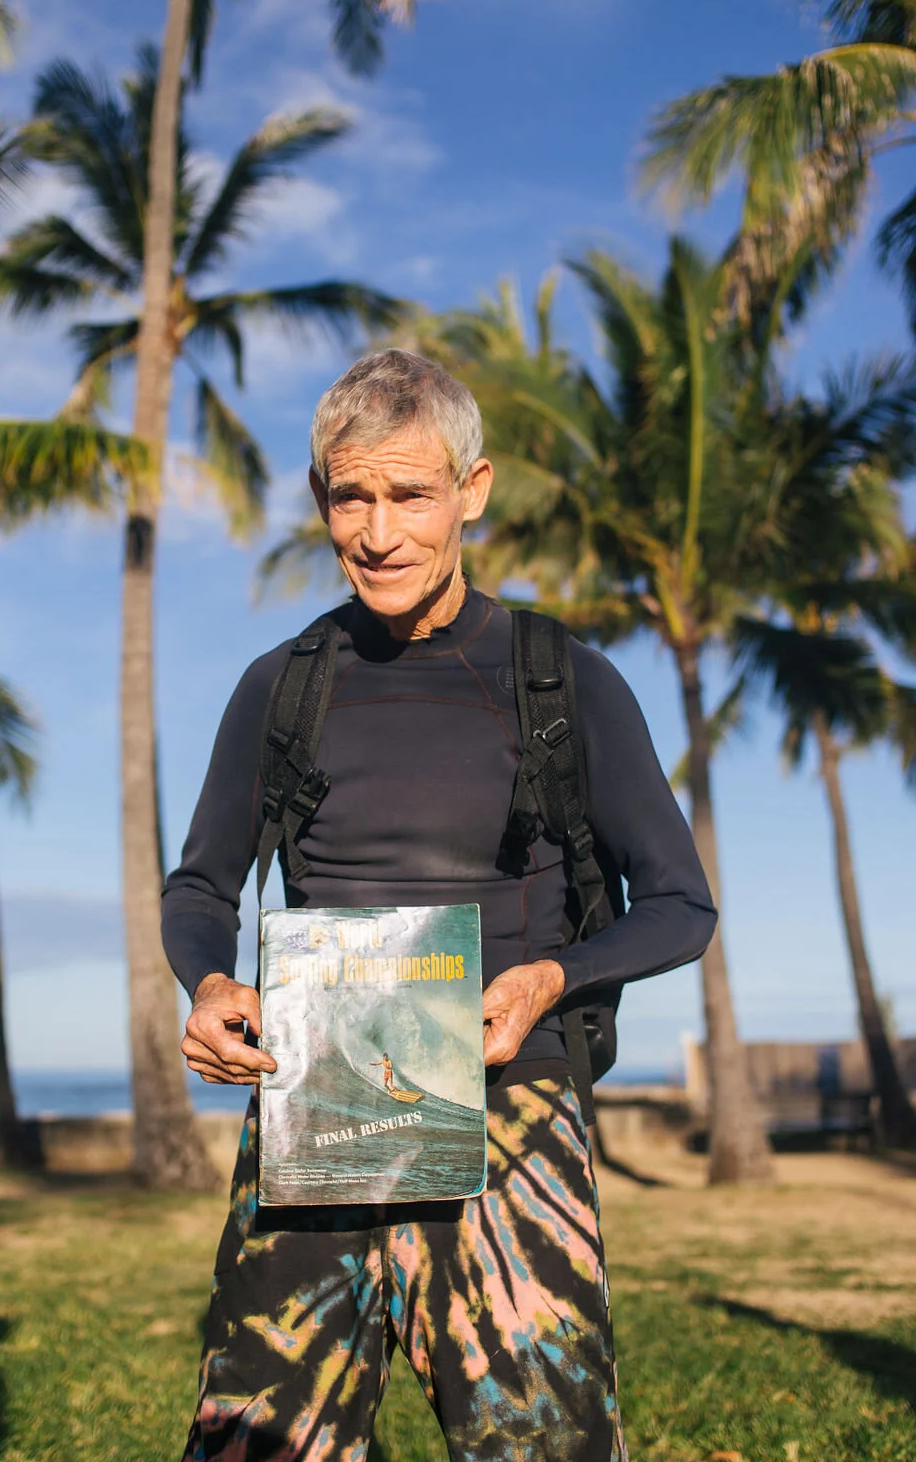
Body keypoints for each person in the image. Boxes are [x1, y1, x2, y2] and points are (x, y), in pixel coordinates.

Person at [162, 349, 717, 1462]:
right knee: (264, 1447)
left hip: (512, 1107)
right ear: (321, 496)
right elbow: (202, 884)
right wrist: (211, 982)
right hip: (318, 1111)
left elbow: (678, 905)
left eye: (410, 495)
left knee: (541, 1447)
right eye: (350, 497)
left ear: (472, 490)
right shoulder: (282, 685)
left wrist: (549, 979)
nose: (378, 533)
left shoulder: (561, 677)